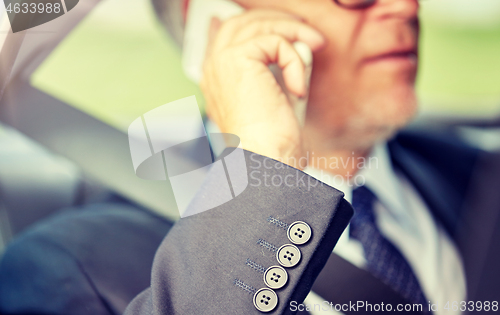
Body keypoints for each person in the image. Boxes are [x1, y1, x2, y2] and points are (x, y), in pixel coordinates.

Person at [1, 0, 498, 314]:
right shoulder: (65, 268)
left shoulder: (479, 177)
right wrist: (264, 163)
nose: (404, 7)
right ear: (216, 22)